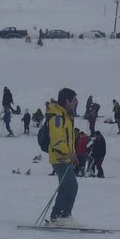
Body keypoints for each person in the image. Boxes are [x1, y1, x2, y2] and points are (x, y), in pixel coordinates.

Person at [46, 88, 79, 223]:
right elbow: (57, 139)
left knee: (65, 188)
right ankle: (63, 217)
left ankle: (56, 216)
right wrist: (69, 153)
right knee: (71, 187)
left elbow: (68, 138)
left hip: (65, 157)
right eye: (74, 101)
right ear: (67, 100)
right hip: (59, 157)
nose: (76, 104)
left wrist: (73, 154)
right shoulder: (57, 116)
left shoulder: (65, 115)